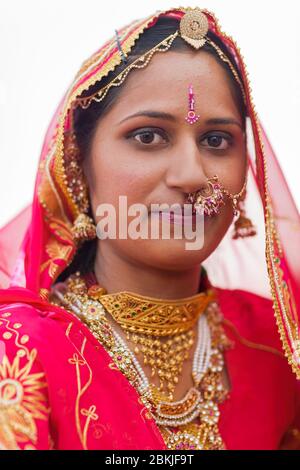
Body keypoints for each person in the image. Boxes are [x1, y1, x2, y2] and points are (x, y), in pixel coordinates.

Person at [0, 6, 300, 450]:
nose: (191, 175)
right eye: (148, 136)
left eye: (216, 140)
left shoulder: (279, 352)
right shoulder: (21, 351)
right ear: (79, 161)